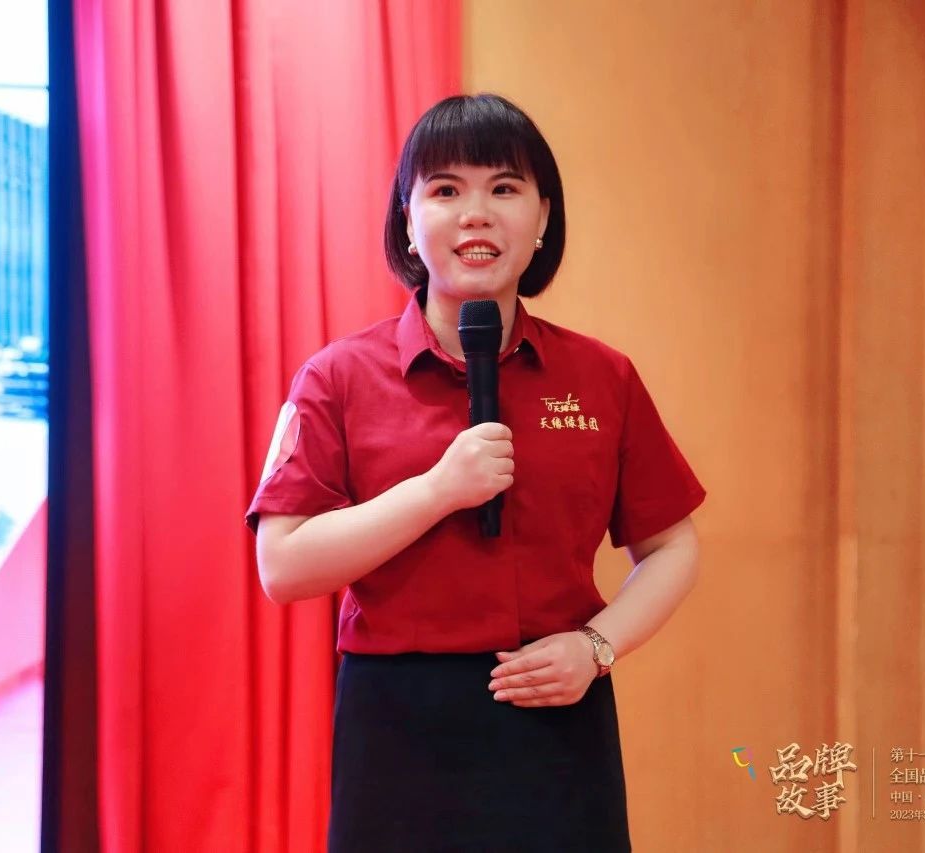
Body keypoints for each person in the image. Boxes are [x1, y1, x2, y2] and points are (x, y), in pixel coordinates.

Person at [247, 93, 705, 853]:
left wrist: (596, 647)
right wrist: (436, 491)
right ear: (407, 219)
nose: (476, 215)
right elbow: (283, 566)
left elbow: (674, 546)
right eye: (446, 190)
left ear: (543, 216)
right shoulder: (337, 377)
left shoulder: (602, 377)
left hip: (558, 714)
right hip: (399, 729)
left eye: (505, 188)